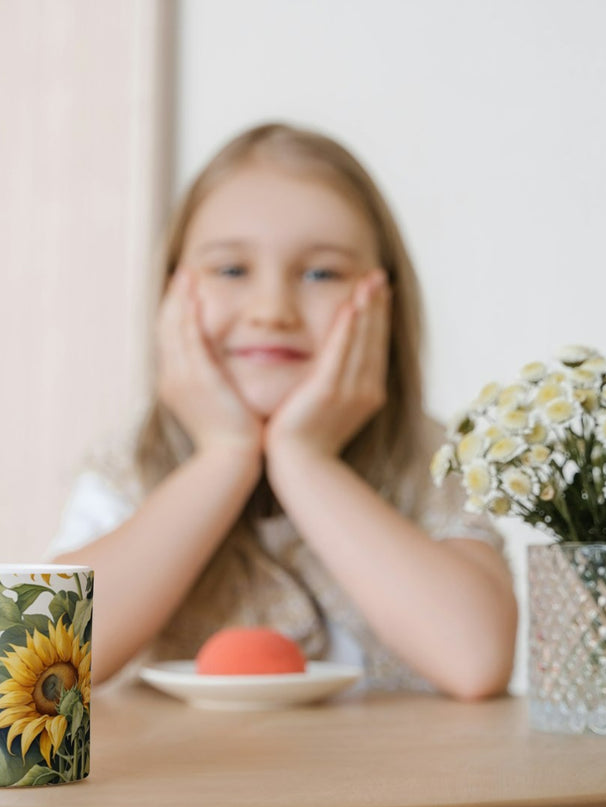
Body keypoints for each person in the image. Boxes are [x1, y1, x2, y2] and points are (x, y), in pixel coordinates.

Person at [50, 122, 517, 699]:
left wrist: (306, 460)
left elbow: (475, 660)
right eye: (231, 270)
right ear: (172, 295)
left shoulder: (429, 461)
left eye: (321, 273)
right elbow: (38, 657)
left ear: (384, 303)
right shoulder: (130, 466)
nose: (272, 310)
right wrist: (224, 457)